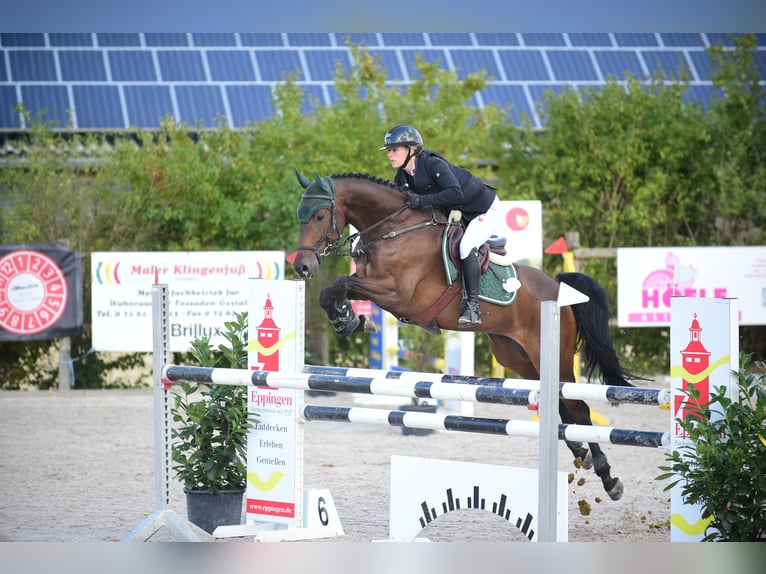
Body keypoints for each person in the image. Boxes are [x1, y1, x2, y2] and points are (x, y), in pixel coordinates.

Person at [380, 124, 507, 328]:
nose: (390, 154)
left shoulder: (432, 164)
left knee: (466, 247)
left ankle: (473, 307)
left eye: (395, 149)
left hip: (483, 210)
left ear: (411, 150)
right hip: (460, 214)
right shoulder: (402, 177)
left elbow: (455, 193)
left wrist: (421, 201)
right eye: (389, 150)